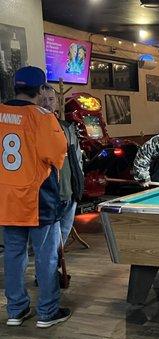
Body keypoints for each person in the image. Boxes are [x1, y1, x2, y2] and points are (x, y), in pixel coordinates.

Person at [0, 66, 70, 327]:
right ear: (41, 90)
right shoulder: (43, 117)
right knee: (46, 257)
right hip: (38, 199)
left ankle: (16, 311)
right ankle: (47, 312)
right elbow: (56, 155)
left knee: (13, 256)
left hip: (6, 199)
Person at [40, 84, 84, 245]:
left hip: (70, 193)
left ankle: (55, 268)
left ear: (57, 103)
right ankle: (49, 270)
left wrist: (79, 183)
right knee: (48, 245)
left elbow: (77, 158)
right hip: (49, 197)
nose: (47, 103)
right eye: (43, 99)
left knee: (61, 240)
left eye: (51, 99)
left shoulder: (67, 128)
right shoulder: (33, 128)